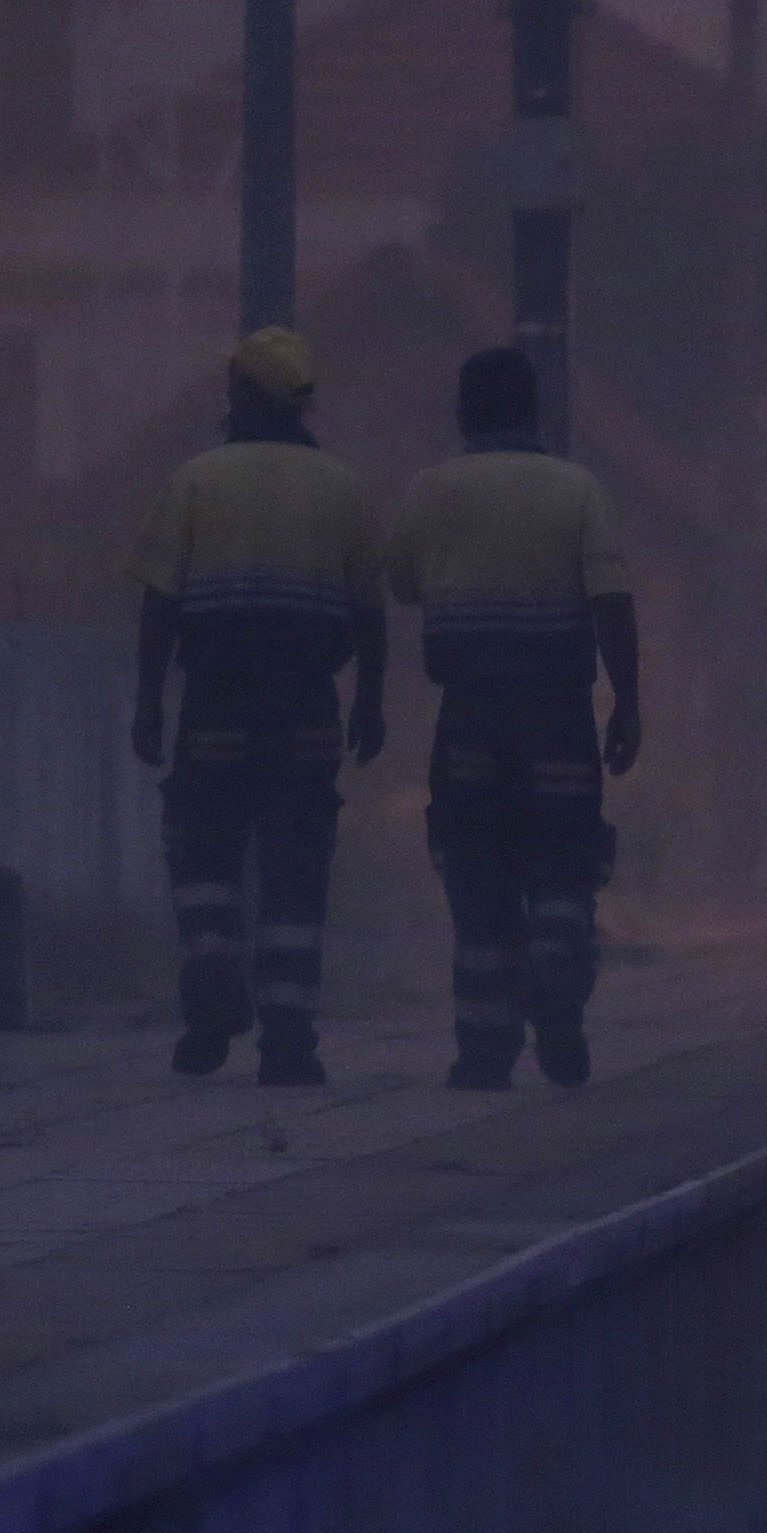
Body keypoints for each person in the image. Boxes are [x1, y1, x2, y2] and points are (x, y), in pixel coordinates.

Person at [130, 327, 388, 1083]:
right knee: (296, 875)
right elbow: (369, 613)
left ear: (241, 393)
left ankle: (211, 995)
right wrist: (370, 704)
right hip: (307, 718)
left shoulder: (195, 482)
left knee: (203, 857)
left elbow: (158, 604)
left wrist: (147, 704)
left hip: (214, 712)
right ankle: (288, 1038)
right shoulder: (341, 488)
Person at [387, 344, 641, 1089]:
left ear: (464, 413)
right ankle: (557, 976)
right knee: (564, 859)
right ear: (535, 411)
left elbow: (400, 583)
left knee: (476, 876)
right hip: (559, 715)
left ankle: (483, 1048)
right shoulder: (577, 490)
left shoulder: (430, 491)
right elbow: (612, 603)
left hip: (468, 717)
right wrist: (627, 702)